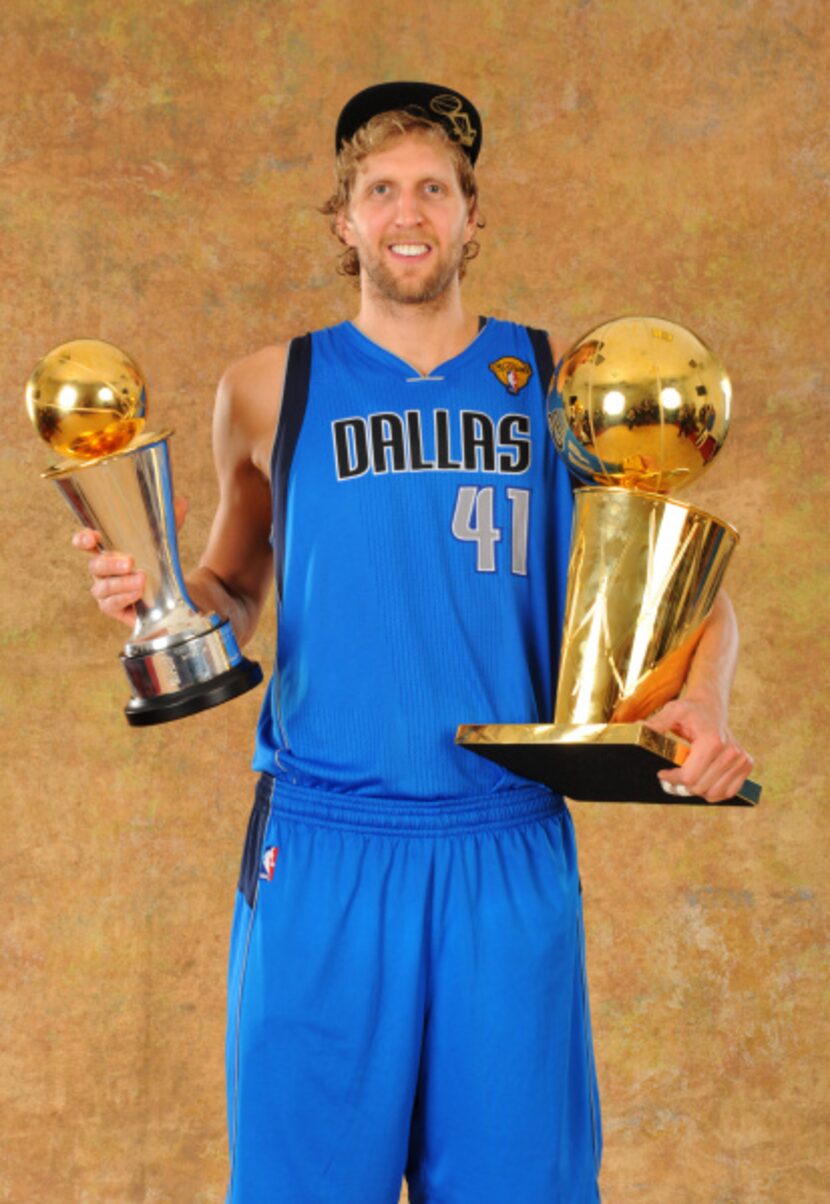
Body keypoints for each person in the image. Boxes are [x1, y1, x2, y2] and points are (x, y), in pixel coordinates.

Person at [73, 82, 753, 1204]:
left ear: (470, 216)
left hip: (501, 839)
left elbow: (681, 582)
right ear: (342, 219)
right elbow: (233, 584)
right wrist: (155, 599)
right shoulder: (264, 388)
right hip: (325, 841)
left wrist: (707, 708)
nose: (407, 212)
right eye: (380, 189)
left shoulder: (557, 386)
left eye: (432, 189)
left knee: (519, 1188)